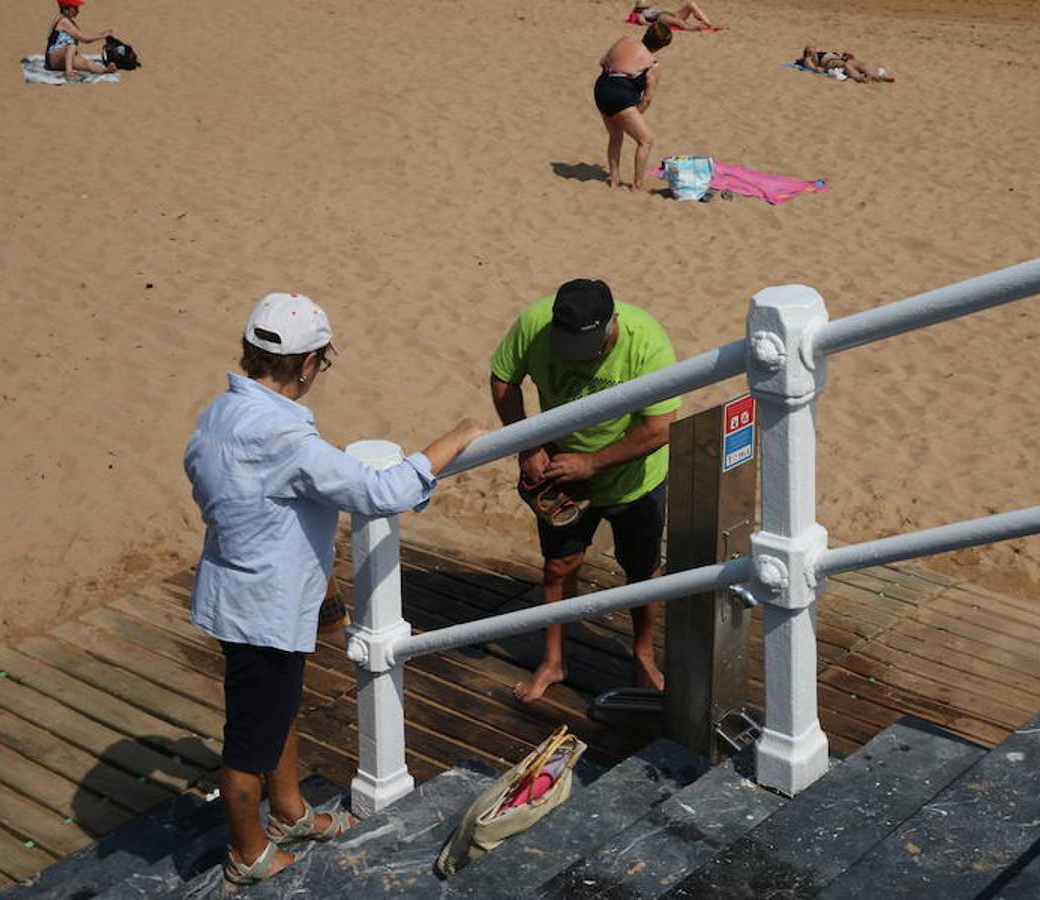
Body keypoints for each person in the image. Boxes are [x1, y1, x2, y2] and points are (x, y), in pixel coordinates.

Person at [185, 291, 484, 885]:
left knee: (276, 711)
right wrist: (457, 436)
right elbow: (382, 491)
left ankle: (291, 812)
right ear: (306, 364)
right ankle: (249, 855)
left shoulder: (221, 413)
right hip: (262, 609)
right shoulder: (285, 439)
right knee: (247, 741)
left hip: (237, 589)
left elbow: (203, 481)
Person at [490, 279, 680, 703]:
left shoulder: (648, 344)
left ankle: (644, 655)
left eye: (589, 349)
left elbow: (660, 428)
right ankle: (554, 660)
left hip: (634, 478)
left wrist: (592, 463)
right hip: (560, 475)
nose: (577, 360)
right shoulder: (535, 325)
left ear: (612, 323)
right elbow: (503, 378)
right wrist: (529, 444)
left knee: (642, 572)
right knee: (559, 566)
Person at [595, 24, 673, 192]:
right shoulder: (653, 64)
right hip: (620, 97)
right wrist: (631, 116)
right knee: (646, 140)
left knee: (615, 137)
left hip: (601, 89)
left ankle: (614, 180)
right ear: (662, 46)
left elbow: (602, 62)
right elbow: (647, 99)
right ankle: (637, 185)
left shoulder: (624, 40)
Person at [45, 0, 117, 80]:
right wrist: (103, 35)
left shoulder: (68, 21)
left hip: (60, 57)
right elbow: (84, 39)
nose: (78, 10)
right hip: (53, 59)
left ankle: (105, 70)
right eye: (75, 8)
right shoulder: (63, 21)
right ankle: (69, 73)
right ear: (66, 9)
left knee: (86, 63)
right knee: (71, 44)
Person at [797, 45, 894, 82]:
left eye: (814, 47)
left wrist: (848, 56)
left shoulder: (827, 52)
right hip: (832, 64)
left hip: (842, 60)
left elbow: (845, 58)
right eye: (811, 48)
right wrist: (815, 69)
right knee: (847, 66)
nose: (814, 47)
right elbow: (810, 66)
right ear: (808, 52)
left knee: (859, 64)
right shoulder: (809, 58)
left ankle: (878, 76)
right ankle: (860, 78)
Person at [631, 2, 720, 31]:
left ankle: (709, 24)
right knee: (678, 22)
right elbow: (643, 22)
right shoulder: (640, 14)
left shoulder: (651, 8)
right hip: (661, 17)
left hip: (671, 14)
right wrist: (655, 25)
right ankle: (694, 28)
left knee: (691, 4)